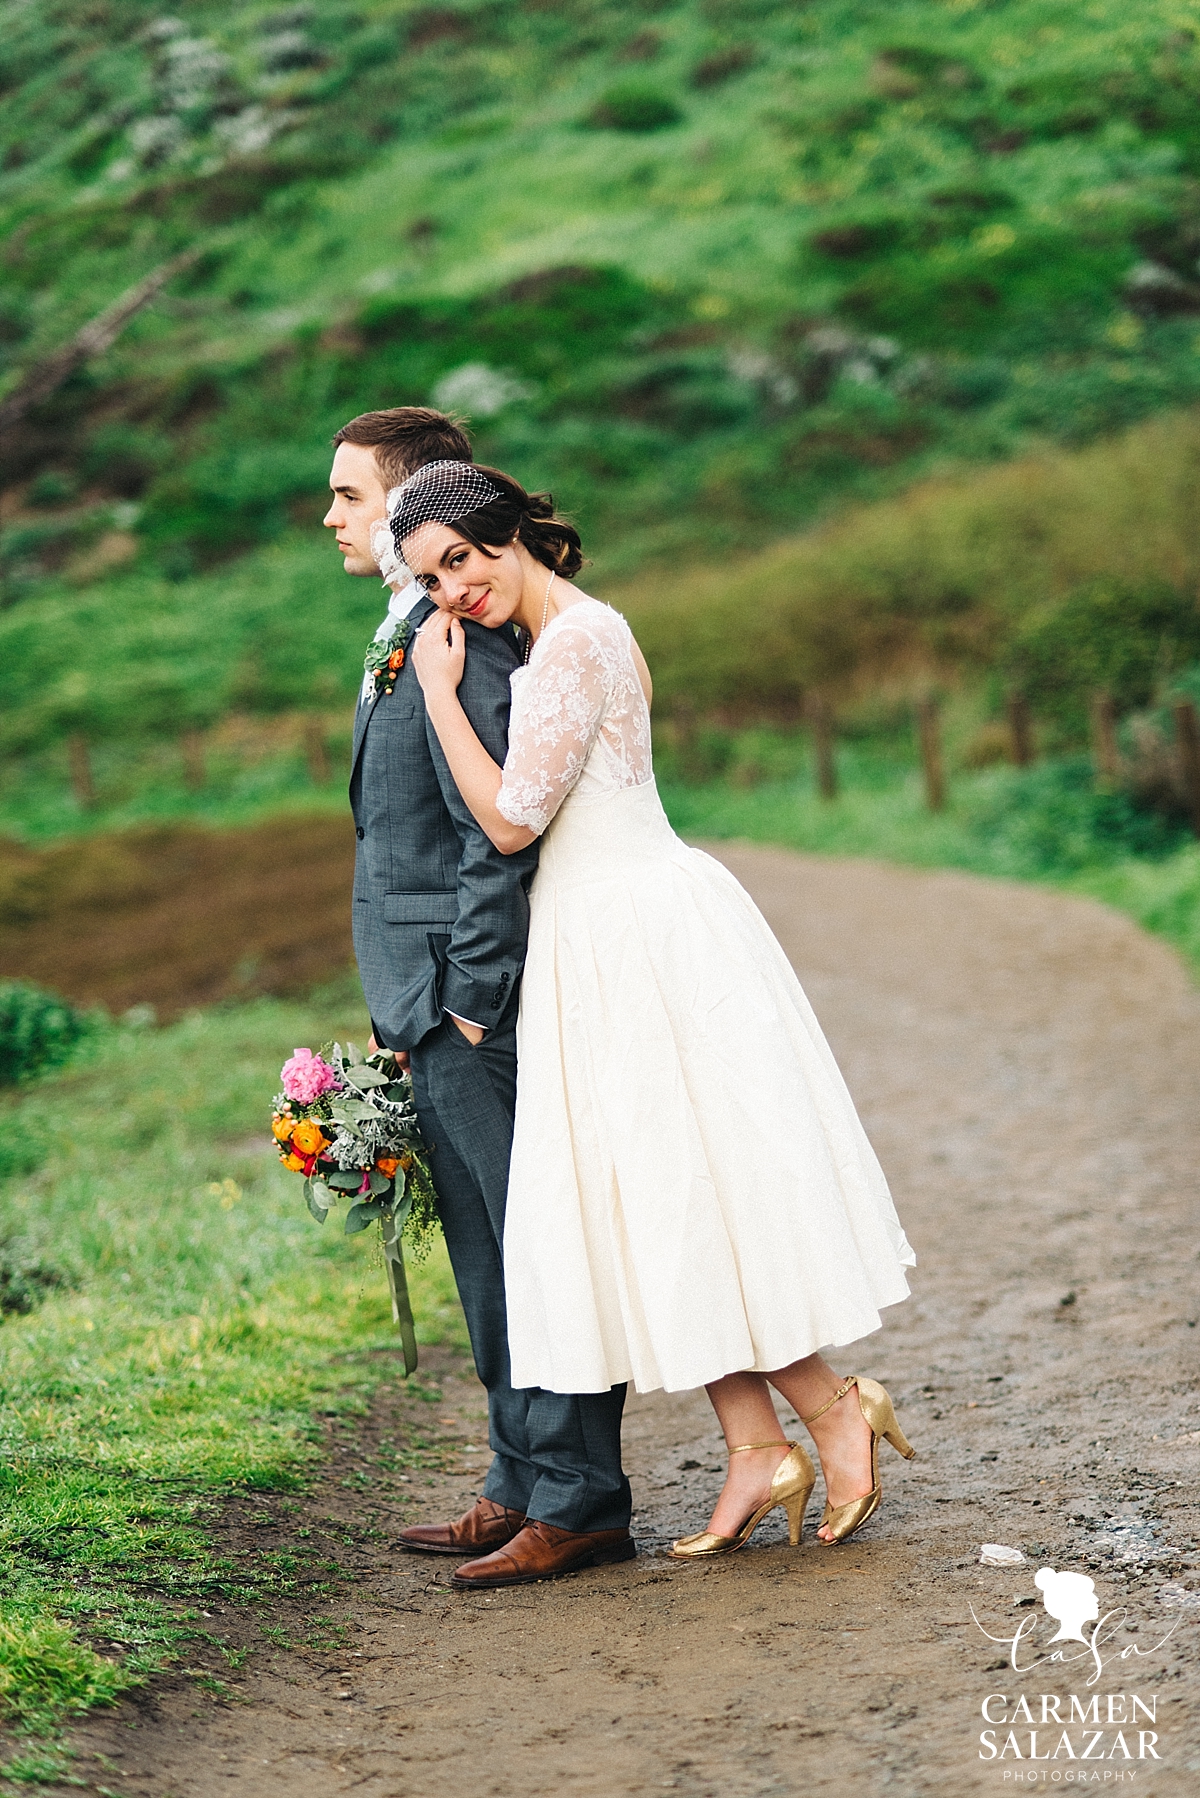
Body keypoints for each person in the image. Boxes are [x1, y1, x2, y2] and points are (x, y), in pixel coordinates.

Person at [404, 459, 918, 1558]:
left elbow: (508, 823)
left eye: (461, 558)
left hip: (635, 939)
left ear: (512, 533)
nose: (452, 592)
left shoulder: (575, 642)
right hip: (603, 939)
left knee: (695, 1189)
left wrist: (441, 693)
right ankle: (752, 1446)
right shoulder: (570, 639)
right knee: (659, 1203)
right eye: (431, 579)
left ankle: (832, 1412)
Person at [329, 411, 633, 1589]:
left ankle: (579, 1496)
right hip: (417, 989)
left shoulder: (470, 637)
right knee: (481, 1247)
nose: (332, 518)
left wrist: (469, 992)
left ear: (412, 503)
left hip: (469, 992)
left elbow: (492, 830)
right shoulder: (407, 628)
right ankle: (517, 1478)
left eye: (350, 496)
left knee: (531, 1240)